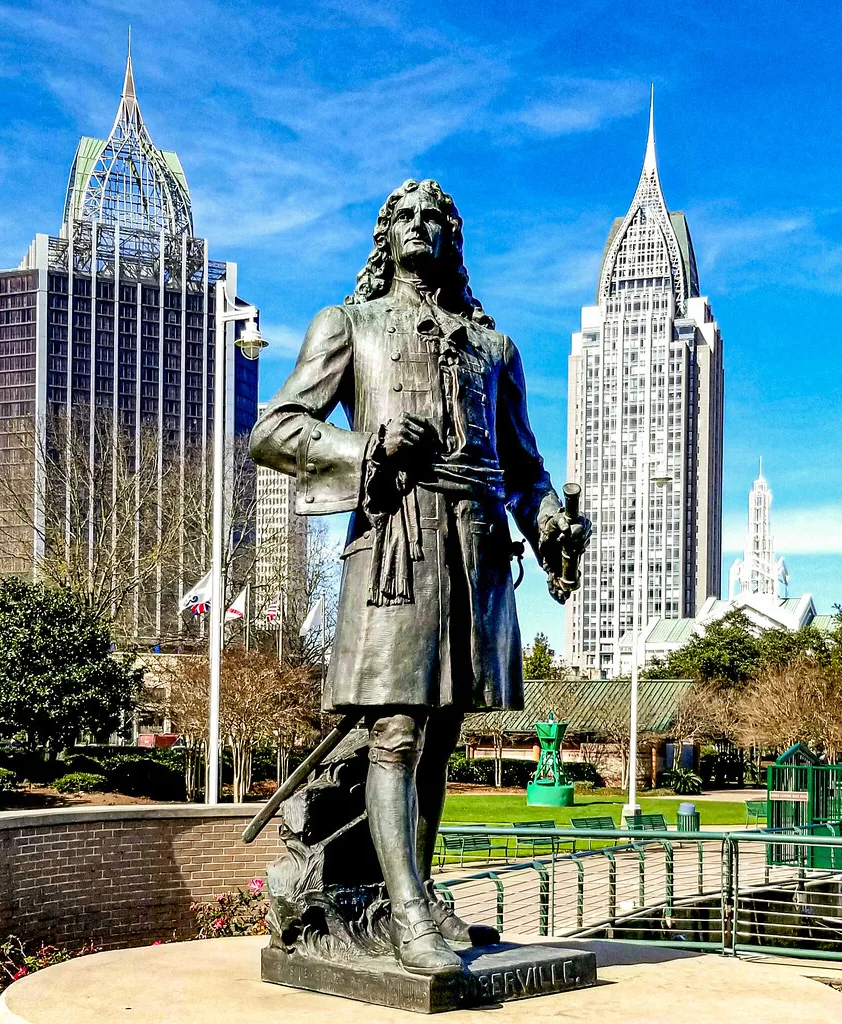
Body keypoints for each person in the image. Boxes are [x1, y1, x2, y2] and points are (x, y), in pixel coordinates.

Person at [250, 179, 591, 976]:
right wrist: (364, 444)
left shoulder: (493, 348)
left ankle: (419, 891)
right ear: (385, 237)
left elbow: (524, 467)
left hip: (475, 553)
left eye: (433, 218)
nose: (418, 227)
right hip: (396, 546)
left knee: (440, 736)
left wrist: (548, 528)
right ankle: (404, 916)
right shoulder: (350, 324)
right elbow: (276, 429)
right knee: (396, 732)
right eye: (402, 217)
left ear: (452, 239)